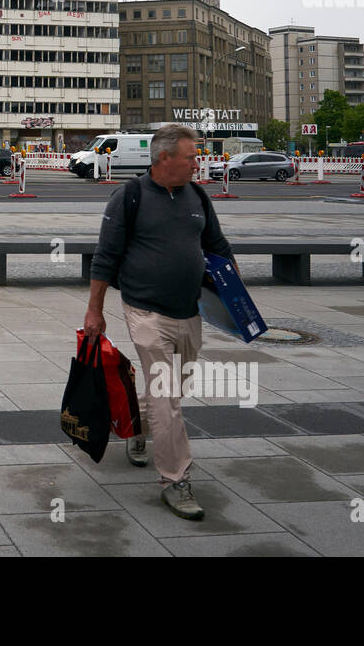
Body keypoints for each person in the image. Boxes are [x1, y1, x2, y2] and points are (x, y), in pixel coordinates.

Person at [84, 123, 237, 521]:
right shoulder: (130, 196)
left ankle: (136, 427)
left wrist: (236, 294)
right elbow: (105, 256)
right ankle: (176, 480)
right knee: (167, 398)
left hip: (189, 311)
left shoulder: (197, 195)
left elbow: (216, 245)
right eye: (191, 156)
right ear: (164, 158)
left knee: (170, 393)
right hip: (145, 311)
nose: (197, 163)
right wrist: (95, 310)